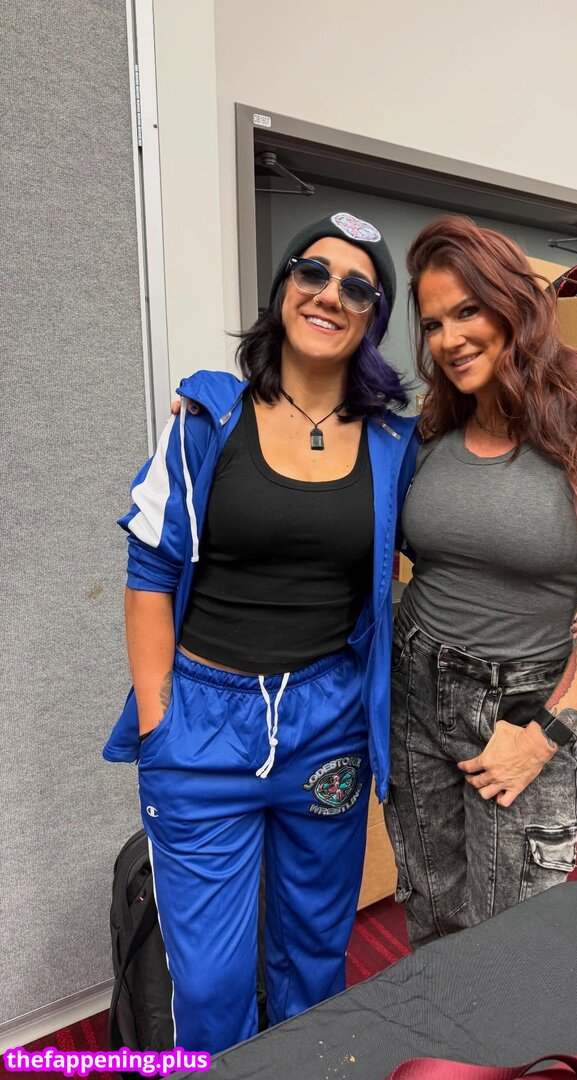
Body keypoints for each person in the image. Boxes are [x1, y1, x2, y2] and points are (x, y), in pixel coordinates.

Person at [103, 212, 419, 1053]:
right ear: (283, 286)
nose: (330, 295)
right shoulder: (208, 418)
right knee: (208, 981)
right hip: (202, 724)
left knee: (314, 956)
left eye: (358, 287)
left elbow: (453, 536)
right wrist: (158, 721)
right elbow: (148, 573)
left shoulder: (395, 443)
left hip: (328, 725)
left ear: (374, 317)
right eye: (312, 272)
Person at [384, 215, 577, 948]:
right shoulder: (432, 429)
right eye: (433, 323)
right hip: (414, 690)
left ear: (514, 304)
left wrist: (544, 737)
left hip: (523, 704)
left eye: (467, 311)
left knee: (517, 937)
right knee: (431, 912)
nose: (449, 339)